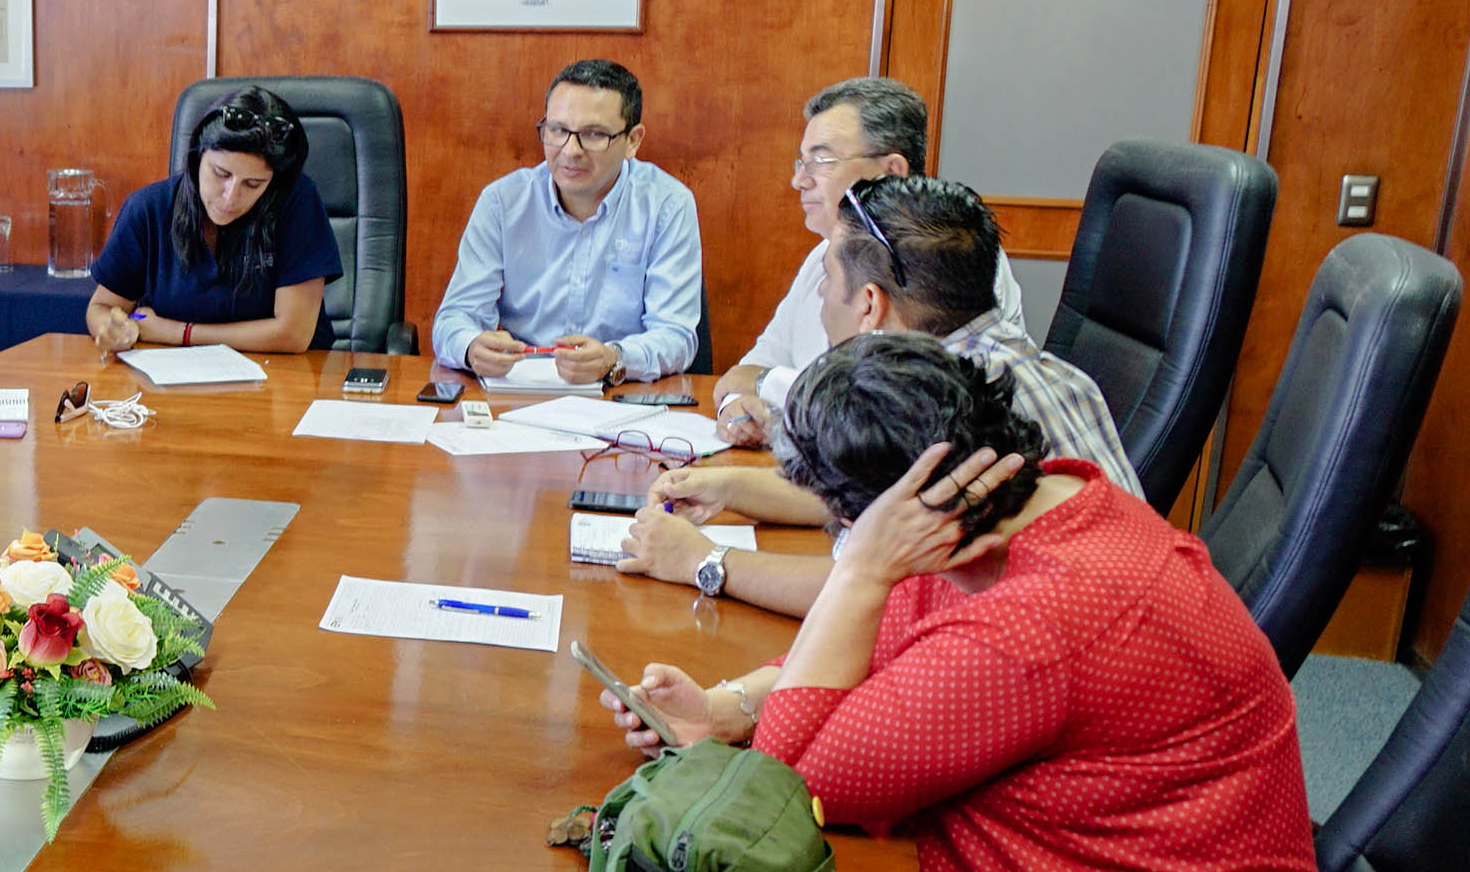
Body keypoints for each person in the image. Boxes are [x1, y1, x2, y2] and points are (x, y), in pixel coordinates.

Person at [599, 334, 1333, 872]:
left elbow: (794, 789)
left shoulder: (1037, 625)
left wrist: (860, 571)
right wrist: (729, 708)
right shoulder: (1056, 502)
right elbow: (904, 639)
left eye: (846, 525)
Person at [609, 175, 1137, 616]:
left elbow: (878, 594)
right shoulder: (1036, 370)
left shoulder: (957, 408)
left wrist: (706, 561)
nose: (819, 292)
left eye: (828, 275)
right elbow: (888, 503)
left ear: (869, 303)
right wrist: (729, 486)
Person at [713, 77, 1022, 447]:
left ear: (891, 172)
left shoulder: (953, 260)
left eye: (821, 160)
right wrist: (737, 408)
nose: (799, 180)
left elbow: (906, 414)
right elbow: (750, 367)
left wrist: (768, 384)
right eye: (802, 161)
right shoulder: (824, 255)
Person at [431, 58, 700, 384]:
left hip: (619, 398)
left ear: (633, 140)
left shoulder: (667, 205)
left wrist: (613, 357)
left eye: (594, 134)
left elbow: (676, 335)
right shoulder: (504, 202)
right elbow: (454, 318)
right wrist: (471, 346)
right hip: (519, 393)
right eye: (557, 130)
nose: (571, 150)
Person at [86, 85, 342, 355]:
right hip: (171, 381)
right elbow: (100, 308)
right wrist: (115, 330)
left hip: (284, 380)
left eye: (253, 184)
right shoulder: (149, 208)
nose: (231, 197)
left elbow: (293, 334)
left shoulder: (295, 200)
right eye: (221, 174)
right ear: (197, 158)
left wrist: (178, 333)